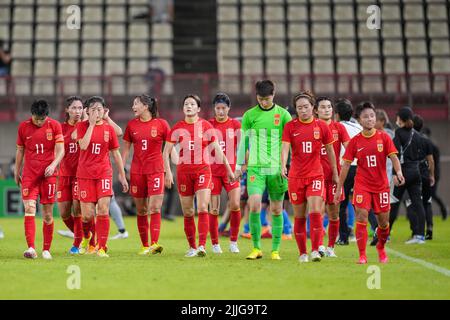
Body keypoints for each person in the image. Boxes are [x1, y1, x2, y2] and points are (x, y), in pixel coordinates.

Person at [163, 94, 235, 257]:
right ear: (183, 108)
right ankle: (192, 247)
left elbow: (218, 150)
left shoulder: (206, 126)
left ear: (198, 108)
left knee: (203, 207)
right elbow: (165, 152)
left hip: (203, 170)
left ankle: (202, 246)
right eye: (186, 104)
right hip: (183, 173)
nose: (189, 106)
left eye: (192, 104)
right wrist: (168, 172)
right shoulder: (177, 128)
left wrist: (229, 170)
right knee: (188, 212)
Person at [335, 102, 404, 264]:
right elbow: (345, 165)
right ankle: (362, 255)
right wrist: (339, 188)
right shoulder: (355, 141)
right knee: (362, 215)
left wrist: (399, 172)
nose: (370, 119)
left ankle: (381, 247)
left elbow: (394, 157)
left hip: (381, 186)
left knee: (384, 223)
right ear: (359, 120)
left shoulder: (384, 137)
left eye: (372, 116)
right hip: (362, 185)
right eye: (365, 117)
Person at [235, 80, 292, 260]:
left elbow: (289, 143)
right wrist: (238, 166)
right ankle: (256, 247)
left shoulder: (283, 115)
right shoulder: (249, 115)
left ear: (273, 95)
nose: (263, 102)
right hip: (256, 168)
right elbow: (243, 141)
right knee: (254, 204)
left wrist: (288, 165)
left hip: (277, 169)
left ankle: (275, 250)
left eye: (266, 99)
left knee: (276, 209)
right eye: (260, 99)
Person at [281, 91, 338, 263]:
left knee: (315, 211)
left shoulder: (321, 126)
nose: (303, 110)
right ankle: (302, 253)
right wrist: (283, 164)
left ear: (313, 107)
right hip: (296, 177)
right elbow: (285, 147)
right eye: (299, 108)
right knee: (299, 216)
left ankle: (315, 250)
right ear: (296, 110)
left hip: (315, 175)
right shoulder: (290, 126)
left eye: (306, 107)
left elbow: (330, 151)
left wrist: (335, 172)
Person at [75, 96, 129, 258]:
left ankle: (102, 247)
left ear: (104, 111)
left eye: (99, 109)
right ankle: (86, 238)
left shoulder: (109, 128)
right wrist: (91, 124)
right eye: (93, 110)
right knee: (87, 215)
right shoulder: (81, 126)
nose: (96, 113)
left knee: (103, 209)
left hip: (104, 174)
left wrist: (122, 174)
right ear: (87, 111)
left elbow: (116, 153)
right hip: (85, 175)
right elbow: (83, 146)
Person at [15, 100, 65, 259]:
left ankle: (46, 249)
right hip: (30, 175)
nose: (39, 121)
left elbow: (61, 150)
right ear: (32, 115)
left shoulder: (55, 125)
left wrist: (54, 164)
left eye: (42, 119)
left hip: (48, 175)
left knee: (48, 214)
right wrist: (17, 171)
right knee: (29, 208)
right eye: (36, 118)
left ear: (47, 116)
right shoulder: (23, 126)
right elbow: (20, 151)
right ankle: (30, 248)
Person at [122, 94, 170, 255]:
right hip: (137, 172)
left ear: (146, 106)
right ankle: (144, 245)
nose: (133, 106)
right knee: (141, 210)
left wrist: (169, 171)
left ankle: (154, 243)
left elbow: (170, 148)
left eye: (136, 104)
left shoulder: (162, 124)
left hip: (156, 170)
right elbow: (126, 149)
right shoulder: (131, 125)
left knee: (155, 207)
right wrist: (122, 171)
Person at [389, 107, 431, 244]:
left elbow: (395, 154)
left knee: (394, 203)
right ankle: (420, 236)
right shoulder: (417, 135)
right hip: (416, 172)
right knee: (418, 203)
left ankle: (385, 234)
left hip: (403, 172)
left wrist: (396, 173)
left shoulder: (399, 133)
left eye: (397, 117)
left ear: (401, 119)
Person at [315, 96, 350, 257]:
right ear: (316, 110)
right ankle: (319, 245)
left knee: (334, 214)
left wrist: (345, 162)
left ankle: (330, 248)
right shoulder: (312, 127)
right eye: (322, 107)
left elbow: (349, 148)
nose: (326, 109)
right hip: (316, 176)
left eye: (329, 107)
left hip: (335, 177)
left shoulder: (339, 128)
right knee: (318, 211)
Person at [208, 93, 242, 254]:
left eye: (223, 108)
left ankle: (233, 242)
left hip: (231, 172)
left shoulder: (235, 125)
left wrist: (241, 167)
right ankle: (215, 244)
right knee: (214, 209)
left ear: (229, 108)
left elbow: (242, 148)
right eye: (218, 108)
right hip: (213, 172)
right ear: (214, 109)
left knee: (235, 204)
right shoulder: (208, 125)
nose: (220, 111)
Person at [57, 96, 84, 254]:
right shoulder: (60, 128)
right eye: (74, 108)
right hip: (64, 174)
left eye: (80, 108)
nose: (77, 111)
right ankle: (85, 234)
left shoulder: (87, 127)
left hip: (80, 176)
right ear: (67, 110)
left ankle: (77, 244)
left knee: (77, 210)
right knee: (64, 213)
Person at [334, 98, 362, 245]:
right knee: (361, 202)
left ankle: (344, 237)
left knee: (341, 203)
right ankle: (377, 229)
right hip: (360, 167)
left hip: (344, 168)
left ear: (337, 114)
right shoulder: (358, 127)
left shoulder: (336, 127)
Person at [369, 108, 395, 246]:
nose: (372, 122)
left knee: (383, 208)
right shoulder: (372, 135)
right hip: (372, 177)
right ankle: (379, 231)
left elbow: (395, 156)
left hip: (386, 176)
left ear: (382, 122)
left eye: (375, 119)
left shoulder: (388, 136)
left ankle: (383, 232)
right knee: (370, 207)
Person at [408, 114, 435, 240]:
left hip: (414, 175)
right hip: (425, 175)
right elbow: (431, 161)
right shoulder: (426, 141)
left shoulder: (411, 140)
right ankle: (429, 228)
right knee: (427, 202)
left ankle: (416, 231)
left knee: (414, 204)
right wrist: (432, 175)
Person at [422, 127, 448, 220]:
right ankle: (442, 210)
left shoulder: (430, 145)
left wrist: (431, 174)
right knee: (430, 195)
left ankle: (443, 210)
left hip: (433, 174)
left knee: (431, 194)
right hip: (434, 173)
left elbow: (432, 161)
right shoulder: (432, 145)